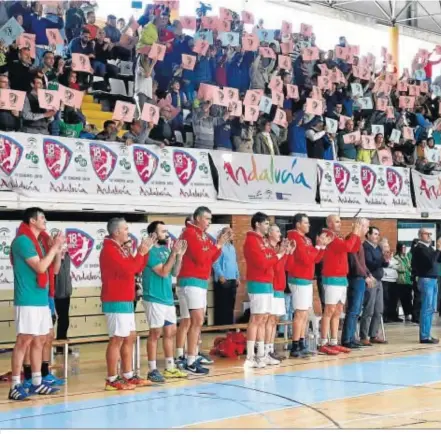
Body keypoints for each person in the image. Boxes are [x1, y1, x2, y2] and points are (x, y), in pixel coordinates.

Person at [9, 208, 64, 401]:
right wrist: (53, 248)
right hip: (28, 300)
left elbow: (52, 268)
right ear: (32, 221)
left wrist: (56, 250)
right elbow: (40, 267)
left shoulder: (38, 244)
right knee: (24, 340)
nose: (45, 220)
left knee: (40, 339)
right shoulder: (23, 241)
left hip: (41, 299)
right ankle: (15, 384)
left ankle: (36, 381)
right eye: (42, 217)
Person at [100, 217, 155, 391]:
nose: (127, 232)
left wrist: (143, 252)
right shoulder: (110, 250)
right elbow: (130, 269)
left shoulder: (120, 249)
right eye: (125, 229)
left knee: (129, 336)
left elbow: (136, 267)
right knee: (116, 339)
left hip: (125, 298)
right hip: (116, 299)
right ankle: (111, 378)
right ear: (116, 232)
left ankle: (128, 375)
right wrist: (140, 253)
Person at [175, 207, 231, 375]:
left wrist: (218, 245)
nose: (209, 222)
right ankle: (190, 360)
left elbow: (211, 258)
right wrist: (219, 245)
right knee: (196, 321)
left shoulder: (203, 236)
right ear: (198, 218)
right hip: (192, 281)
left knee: (190, 321)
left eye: (210, 219)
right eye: (206, 218)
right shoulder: (191, 234)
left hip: (196, 282)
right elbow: (200, 258)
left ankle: (188, 357)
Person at [142, 221, 188, 383]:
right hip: (154, 298)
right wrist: (173, 254)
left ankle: (169, 367)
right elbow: (162, 272)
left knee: (170, 332)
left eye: (166, 231)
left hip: (167, 298)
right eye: (163, 231)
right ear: (153, 235)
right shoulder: (150, 252)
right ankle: (152, 369)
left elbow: (174, 272)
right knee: (155, 333)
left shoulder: (165, 249)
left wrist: (179, 255)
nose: (167, 234)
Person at [243, 212, 289, 368]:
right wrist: (279, 254)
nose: (268, 227)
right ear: (257, 224)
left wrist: (280, 253)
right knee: (256, 319)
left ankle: (261, 354)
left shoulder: (262, 242)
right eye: (266, 224)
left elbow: (271, 260)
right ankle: (250, 357)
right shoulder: (251, 241)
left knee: (263, 319)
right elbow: (263, 262)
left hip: (267, 283)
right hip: (258, 283)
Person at [286, 213, 332, 358]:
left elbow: (315, 259)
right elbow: (305, 259)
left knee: (305, 313)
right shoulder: (294, 237)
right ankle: (295, 346)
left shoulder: (306, 239)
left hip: (306, 278)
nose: (309, 225)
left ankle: (301, 342)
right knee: (299, 313)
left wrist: (322, 247)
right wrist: (318, 246)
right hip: (298, 278)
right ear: (298, 224)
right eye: (306, 223)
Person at [318, 215, 362, 355]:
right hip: (331, 277)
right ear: (329, 223)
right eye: (337, 221)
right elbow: (348, 247)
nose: (340, 223)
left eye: (340, 221)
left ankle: (333, 342)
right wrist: (354, 233)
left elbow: (353, 248)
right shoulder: (328, 236)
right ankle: (323, 342)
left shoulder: (338, 236)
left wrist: (358, 234)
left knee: (338, 311)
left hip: (342, 277)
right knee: (329, 310)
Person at [342, 219, 373, 349]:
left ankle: (352, 337)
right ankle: (347, 339)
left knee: (356, 310)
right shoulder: (351, 238)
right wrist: (364, 276)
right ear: (359, 226)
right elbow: (354, 261)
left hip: (360, 277)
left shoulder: (360, 241)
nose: (367, 230)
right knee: (353, 310)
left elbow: (362, 263)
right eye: (366, 227)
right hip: (355, 278)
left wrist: (368, 274)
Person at [266, 224, 294, 363]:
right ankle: (267, 350)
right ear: (270, 233)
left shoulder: (277, 249)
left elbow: (284, 267)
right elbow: (275, 267)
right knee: (270, 319)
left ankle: (271, 349)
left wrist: (287, 253)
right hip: (272, 287)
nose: (279, 233)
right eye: (277, 231)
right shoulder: (269, 249)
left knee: (275, 320)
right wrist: (283, 253)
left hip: (279, 287)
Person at [360, 227, 389, 345]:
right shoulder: (365, 247)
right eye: (375, 234)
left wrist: (386, 260)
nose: (377, 236)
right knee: (369, 309)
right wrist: (382, 261)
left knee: (378, 309)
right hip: (371, 280)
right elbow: (369, 264)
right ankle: (364, 335)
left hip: (379, 280)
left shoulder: (377, 248)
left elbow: (382, 263)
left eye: (378, 234)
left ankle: (374, 334)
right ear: (368, 235)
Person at [412, 229, 441, 344]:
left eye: (430, 234)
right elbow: (430, 262)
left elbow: (437, 260)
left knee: (431, 309)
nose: (429, 235)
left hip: (433, 279)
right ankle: (424, 336)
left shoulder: (429, 248)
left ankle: (427, 333)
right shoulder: (419, 248)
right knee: (426, 308)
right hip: (426, 280)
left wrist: (439, 251)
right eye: (426, 233)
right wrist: (438, 249)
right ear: (419, 235)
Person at [212, 228, 240, 326]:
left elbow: (235, 263)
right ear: (224, 234)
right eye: (229, 233)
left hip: (232, 278)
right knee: (222, 303)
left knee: (230, 303)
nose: (232, 234)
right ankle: (221, 325)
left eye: (232, 232)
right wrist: (220, 275)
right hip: (223, 279)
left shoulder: (232, 247)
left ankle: (229, 324)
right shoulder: (219, 246)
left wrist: (237, 276)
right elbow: (215, 262)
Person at [54, 250, 72, 354]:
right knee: (58, 319)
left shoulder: (67, 256)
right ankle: (59, 345)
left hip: (66, 293)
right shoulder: (53, 257)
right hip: (57, 293)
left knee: (65, 320)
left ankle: (62, 342)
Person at [394, 242, 413, 322]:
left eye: (405, 247)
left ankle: (409, 314)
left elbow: (410, 267)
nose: (404, 249)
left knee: (409, 298)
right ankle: (404, 314)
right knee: (402, 299)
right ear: (399, 248)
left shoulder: (407, 257)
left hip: (408, 280)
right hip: (401, 281)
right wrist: (407, 268)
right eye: (403, 247)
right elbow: (400, 268)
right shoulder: (396, 257)